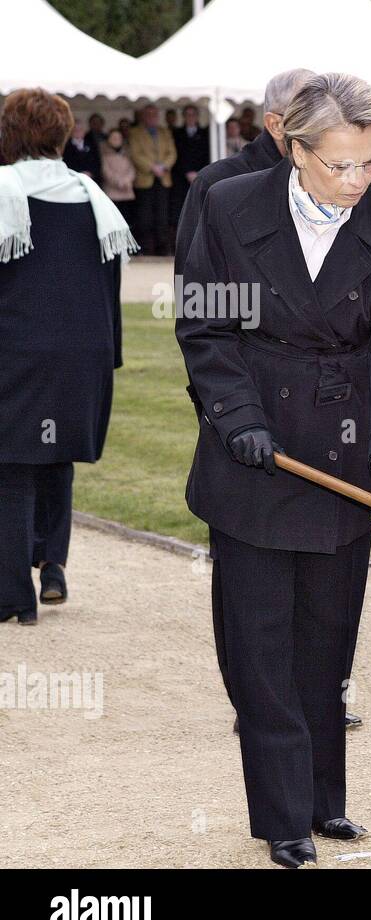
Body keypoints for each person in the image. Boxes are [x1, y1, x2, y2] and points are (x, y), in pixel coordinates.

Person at [176, 72, 371, 868]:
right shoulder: (227, 204)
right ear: (292, 146)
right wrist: (238, 419)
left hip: (343, 450)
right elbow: (206, 328)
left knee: (328, 642)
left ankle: (325, 800)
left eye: (369, 163)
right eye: (338, 165)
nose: (357, 182)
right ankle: (282, 814)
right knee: (260, 647)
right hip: (253, 451)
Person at [0, 89, 136, 625]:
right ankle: (52, 563)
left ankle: (13, 597)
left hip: (17, 349)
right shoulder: (93, 195)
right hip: (83, 351)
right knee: (55, 457)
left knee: (9, 470)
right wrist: (109, 358)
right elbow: (109, 284)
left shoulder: (3, 193)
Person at [176, 69, 316, 283]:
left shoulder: (336, 179)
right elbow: (195, 287)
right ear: (275, 125)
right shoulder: (217, 183)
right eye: (311, 116)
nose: (324, 127)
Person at [126, 105, 176, 255]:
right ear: (143, 116)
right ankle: (146, 249)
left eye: (154, 114)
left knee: (162, 216)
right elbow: (135, 154)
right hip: (144, 180)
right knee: (144, 217)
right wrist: (152, 167)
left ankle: (162, 249)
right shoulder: (135, 133)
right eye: (149, 114)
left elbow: (172, 152)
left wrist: (164, 166)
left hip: (163, 179)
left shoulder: (164, 132)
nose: (152, 117)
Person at [170, 104, 208, 244]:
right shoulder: (176, 133)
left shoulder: (206, 133)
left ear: (197, 116)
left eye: (193, 114)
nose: (190, 117)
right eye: (188, 114)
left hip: (201, 176)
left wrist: (199, 173)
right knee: (180, 210)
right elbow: (176, 154)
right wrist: (187, 172)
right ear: (183, 116)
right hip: (180, 178)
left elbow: (207, 154)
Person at [98, 128, 136, 220]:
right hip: (112, 190)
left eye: (119, 138)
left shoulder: (127, 152)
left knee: (127, 217)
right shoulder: (103, 152)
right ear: (108, 139)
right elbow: (106, 171)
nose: (116, 140)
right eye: (114, 138)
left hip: (126, 190)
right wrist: (118, 182)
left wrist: (127, 180)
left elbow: (132, 169)